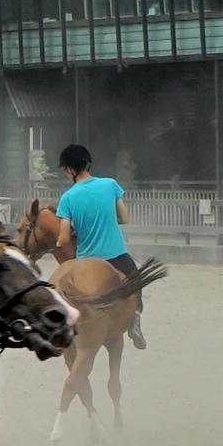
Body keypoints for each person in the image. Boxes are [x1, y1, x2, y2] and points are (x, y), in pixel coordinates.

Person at [53, 144, 145, 349]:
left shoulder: (67, 198)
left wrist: (58, 242)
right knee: (136, 280)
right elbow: (124, 218)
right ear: (87, 164)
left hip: (86, 259)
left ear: (69, 169)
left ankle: (62, 327)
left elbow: (65, 238)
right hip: (116, 256)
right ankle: (135, 319)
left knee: (59, 287)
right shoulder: (110, 185)